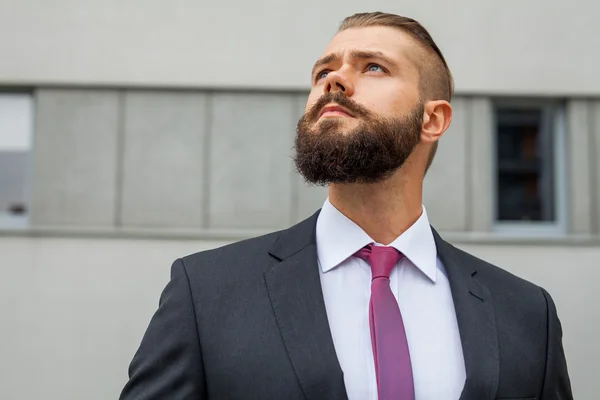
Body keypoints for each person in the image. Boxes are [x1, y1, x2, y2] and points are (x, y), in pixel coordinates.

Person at [119, 12, 572, 400]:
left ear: (433, 119)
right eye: (323, 72)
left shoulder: (527, 313)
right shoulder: (205, 293)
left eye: (373, 67)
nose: (334, 79)